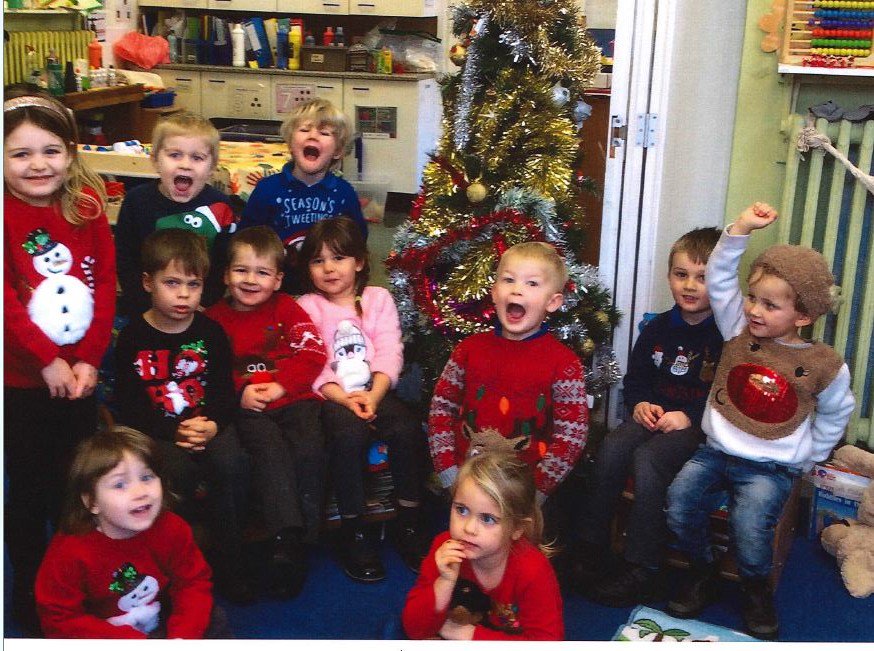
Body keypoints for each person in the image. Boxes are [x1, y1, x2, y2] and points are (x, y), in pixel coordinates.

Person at [665, 202, 856, 640]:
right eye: (753, 298)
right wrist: (740, 230)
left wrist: (812, 454)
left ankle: (755, 590)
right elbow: (718, 277)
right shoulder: (736, 329)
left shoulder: (823, 363)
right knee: (678, 504)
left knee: (750, 529)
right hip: (714, 452)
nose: (754, 310)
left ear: (802, 316)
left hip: (770, 467)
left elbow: (836, 410)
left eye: (770, 305)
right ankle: (702, 571)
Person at [3, 85, 116, 635]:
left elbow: (106, 289)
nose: (37, 164)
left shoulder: (86, 207)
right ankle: (29, 594)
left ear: (71, 153)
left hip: (81, 380)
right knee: (25, 496)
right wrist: (48, 361)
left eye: (49, 150)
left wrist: (90, 359)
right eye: (19, 153)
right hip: (21, 382)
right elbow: (6, 305)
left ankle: (78, 587)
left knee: (77, 490)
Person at [571, 227, 724, 606]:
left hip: (695, 427)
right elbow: (636, 380)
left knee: (649, 458)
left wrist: (688, 416)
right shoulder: (656, 328)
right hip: (651, 417)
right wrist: (638, 403)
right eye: (681, 274)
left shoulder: (725, 335)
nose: (689, 286)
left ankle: (643, 565)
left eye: (702, 277)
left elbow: (723, 394)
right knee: (613, 446)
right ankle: (592, 545)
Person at [113, 229, 252, 603]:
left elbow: (224, 393)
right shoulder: (132, 338)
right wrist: (173, 431)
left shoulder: (211, 333)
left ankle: (230, 564)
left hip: (206, 426)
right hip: (157, 433)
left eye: (193, 284)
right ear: (147, 282)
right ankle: (176, 569)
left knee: (231, 463)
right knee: (175, 471)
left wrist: (212, 425)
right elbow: (128, 406)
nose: (183, 294)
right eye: (171, 283)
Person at [296, 217, 429, 583]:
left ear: (358, 261)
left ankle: (409, 521)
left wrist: (374, 394)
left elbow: (389, 349)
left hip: (376, 388)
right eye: (318, 261)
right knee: (348, 436)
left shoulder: (377, 298)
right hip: (333, 395)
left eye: (338, 258)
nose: (328, 268)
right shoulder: (308, 305)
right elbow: (312, 363)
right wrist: (344, 399)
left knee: (406, 430)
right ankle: (352, 530)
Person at [205, 226, 328, 598]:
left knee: (310, 450)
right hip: (250, 409)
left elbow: (312, 353)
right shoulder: (213, 320)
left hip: (294, 400)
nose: (251, 280)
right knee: (268, 448)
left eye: (262, 272)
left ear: (277, 279)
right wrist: (239, 392)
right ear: (226, 275)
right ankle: (285, 539)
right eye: (241, 270)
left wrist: (282, 384)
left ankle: (302, 540)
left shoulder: (288, 308)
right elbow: (208, 370)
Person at [428, 241, 589, 508]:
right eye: (509, 280)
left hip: (523, 499)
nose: (517, 289)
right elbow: (441, 410)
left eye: (532, 284)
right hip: (465, 489)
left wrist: (536, 493)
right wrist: (449, 475)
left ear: (553, 302)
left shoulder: (564, 363)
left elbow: (571, 436)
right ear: (494, 292)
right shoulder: (468, 350)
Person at [35, 427, 231, 639]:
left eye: (147, 477)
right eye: (120, 484)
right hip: (103, 633)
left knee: (212, 618)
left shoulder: (172, 528)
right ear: (92, 502)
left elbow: (192, 583)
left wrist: (182, 636)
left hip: (161, 619)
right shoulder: (70, 551)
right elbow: (60, 618)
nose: (140, 492)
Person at [402, 450, 564, 640]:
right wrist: (443, 583)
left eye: (488, 519)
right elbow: (414, 629)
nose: (469, 528)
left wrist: (469, 635)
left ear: (517, 529)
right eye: (461, 510)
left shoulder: (533, 571)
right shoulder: (444, 548)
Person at [114, 111, 237, 317]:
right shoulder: (137, 202)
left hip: (201, 309)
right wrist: (145, 305)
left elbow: (223, 263)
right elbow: (125, 260)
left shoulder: (220, 205)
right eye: (174, 155)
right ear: (155, 160)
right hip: (146, 309)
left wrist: (205, 303)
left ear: (212, 167)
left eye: (197, 158)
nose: (185, 164)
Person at [238, 98, 365, 294]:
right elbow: (246, 238)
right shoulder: (267, 189)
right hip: (277, 287)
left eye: (324, 133)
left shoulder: (343, 193)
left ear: (338, 151)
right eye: (304, 130)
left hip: (327, 287)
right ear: (289, 143)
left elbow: (357, 240)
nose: (313, 136)